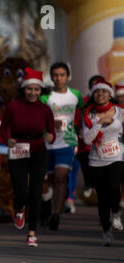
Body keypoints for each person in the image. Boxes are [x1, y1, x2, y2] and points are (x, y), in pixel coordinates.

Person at [0, 68, 55, 247]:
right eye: (29, 89)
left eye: (36, 89)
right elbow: (2, 128)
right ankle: (19, 208)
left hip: (38, 149)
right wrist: (8, 139)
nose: (33, 92)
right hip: (18, 149)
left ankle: (32, 233)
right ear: (24, 89)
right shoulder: (13, 106)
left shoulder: (45, 109)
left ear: (41, 91)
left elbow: (52, 130)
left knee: (36, 192)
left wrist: (51, 136)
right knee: (22, 191)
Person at [40, 62, 85, 230]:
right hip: (47, 144)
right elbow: (37, 118)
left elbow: (86, 111)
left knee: (60, 177)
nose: (59, 78)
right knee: (48, 181)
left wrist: (82, 130)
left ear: (68, 77)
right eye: (56, 75)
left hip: (67, 142)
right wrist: (49, 125)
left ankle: (56, 214)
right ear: (51, 77)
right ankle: (48, 206)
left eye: (62, 75)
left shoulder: (75, 95)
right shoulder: (45, 97)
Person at [83, 79, 123, 246]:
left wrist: (112, 121)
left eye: (104, 92)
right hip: (97, 160)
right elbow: (87, 139)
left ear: (110, 95)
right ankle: (106, 232)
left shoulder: (120, 111)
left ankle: (116, 213)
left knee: (114, 187)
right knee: (102, 198)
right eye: (97, 92)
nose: (101, 94)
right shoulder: (89, 115)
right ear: (93, 95)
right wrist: (99, 124)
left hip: (117, 156)